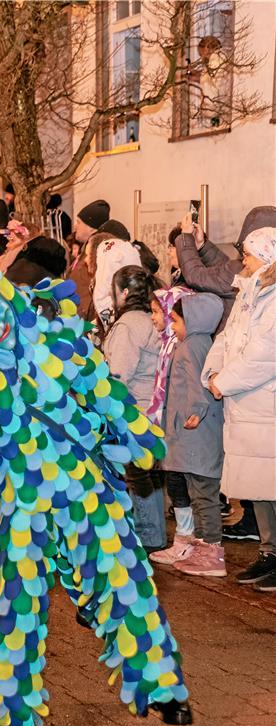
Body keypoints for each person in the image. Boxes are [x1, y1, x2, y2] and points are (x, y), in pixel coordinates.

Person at [0, 257, 190, 726]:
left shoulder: (58, 342)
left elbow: (105, 394)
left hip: (81, 486)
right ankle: (6, 709)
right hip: (14, 499)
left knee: (125, 581)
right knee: (17, 600)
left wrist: (139, 436)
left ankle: (161, 685)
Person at [204, 227, 276, 592]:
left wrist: (225, 381)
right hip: (244, 405)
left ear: (265, 257)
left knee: (270, 483)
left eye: (248, 254)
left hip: (266, 406)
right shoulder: (250, 291)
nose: (242, 261)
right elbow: (226, 337)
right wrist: (213, 372)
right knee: (256, 485)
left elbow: (265, 355)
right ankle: (269, 552)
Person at [153, 293, 226, 576]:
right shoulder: (200, 343)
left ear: (192, 320)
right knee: (200, 492)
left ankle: (212, 553)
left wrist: (196, 408)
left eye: (175, 320)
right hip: (195, 432)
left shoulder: (190, 347)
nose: (172, 327)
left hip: (195, 431)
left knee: (203, 494)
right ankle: (202, 547)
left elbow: (200, 383)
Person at [104, 265, 168, 549]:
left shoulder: (128, 325)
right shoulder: (152, 318)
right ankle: (155, 532)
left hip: (135, 409)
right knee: (151, 473)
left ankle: (148, 534)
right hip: (156, 406)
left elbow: (118, 374)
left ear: (124, 292)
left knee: (137, 473)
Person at [146, 286, 196, 566]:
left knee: (181, 482)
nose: (153, 318)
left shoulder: (181, 346)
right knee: (175, 480)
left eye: (157, 312)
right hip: (169, 422)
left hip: (181, 424)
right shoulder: (167, 342)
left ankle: (187, 540)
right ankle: (185, 539)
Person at [176, 205, 276, 334]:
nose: (244, 260)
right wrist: (202, 246)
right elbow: (225, 269)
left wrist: (186, 238)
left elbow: (196, 275)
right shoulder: (261, 270)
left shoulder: (246, 274)